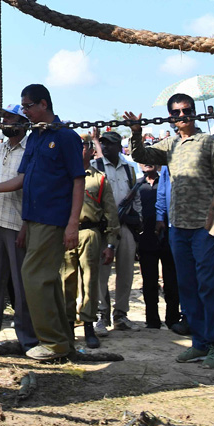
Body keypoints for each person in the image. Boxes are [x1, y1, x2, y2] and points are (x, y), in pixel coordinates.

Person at [0, 84, 85, 362]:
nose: (25, 112)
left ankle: (52, 343)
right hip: (31, 218)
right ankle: (63, 341)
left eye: (28, 106)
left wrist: (73, 223)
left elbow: (78, 181)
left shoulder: (66, 137)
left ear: (43, 104)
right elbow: (22, 179)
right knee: (48, 281)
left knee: (33, 278)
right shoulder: (35, 138)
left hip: (53, 218)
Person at [125, 95, 214, 369]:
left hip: (205, 228)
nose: (183, 115)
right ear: (170, 116)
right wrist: (136, 132)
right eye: (177, 111)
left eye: (187, 110)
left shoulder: (209, 143)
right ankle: (199, 343)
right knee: (186, 286)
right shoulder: (171, 144)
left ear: (194, 113)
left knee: (210, 288)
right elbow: (141, 155)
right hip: (178, 227)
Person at [0, 107, 37, 354]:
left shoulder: (30, 150)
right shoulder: (0, 149)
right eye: (3, 118)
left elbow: (26, 184)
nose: (4, 122)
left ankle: (26, 339)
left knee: (20, 285)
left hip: (17, 224)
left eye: (9, 118)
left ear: (23, 124)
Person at [61, 135, 119, 349]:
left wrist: (111, 244)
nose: (79, 150)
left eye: (83, 146)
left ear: (91, 150)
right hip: (66, 233)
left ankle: (88, 325)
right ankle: (67, 325)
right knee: (66, 279)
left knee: (89, 282)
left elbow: (111, 213)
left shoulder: (99, 178)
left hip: (89, 233)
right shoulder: (62, 176)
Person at [90, 129, 142, 332]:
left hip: (125, 226)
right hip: (104, 227)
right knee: (102, 273)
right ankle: (101, 315)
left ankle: (121, 314)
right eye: (103, 143)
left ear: (119, 147)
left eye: (110, 144)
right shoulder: (96, 166)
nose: (105, 147)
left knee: (126, 271)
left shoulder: (129, 169)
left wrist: (138, 218)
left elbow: (134, 197)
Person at [137, 161, 182, 331]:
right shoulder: (137, 185)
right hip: (146, 239)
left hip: (167, 238)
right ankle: (152, 320)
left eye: (152, 160)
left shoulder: (169, 181)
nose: (148, 163)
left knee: (171, 280)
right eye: (144, 160)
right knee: (149, 281)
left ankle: (172, 318)